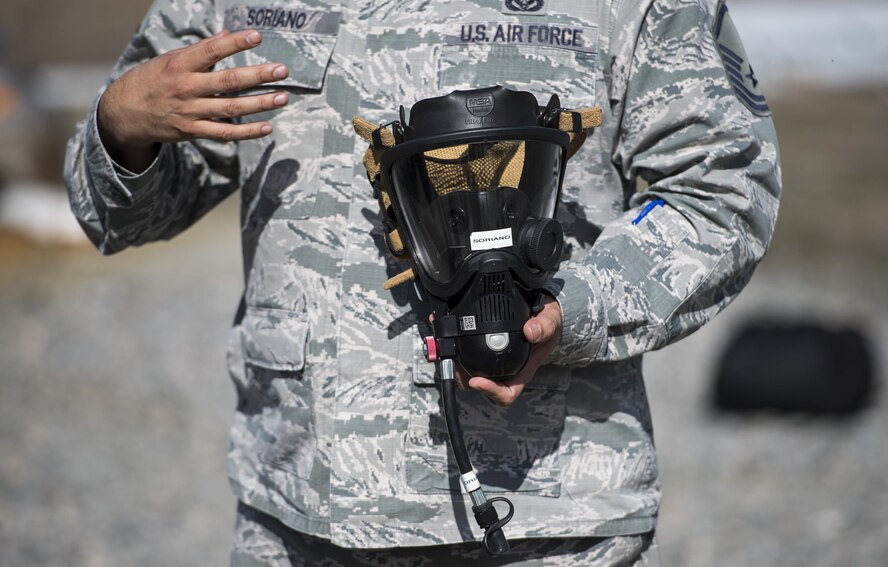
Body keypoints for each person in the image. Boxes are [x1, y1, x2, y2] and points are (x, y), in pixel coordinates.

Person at [65, 0, 780, 564]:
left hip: (552, 521)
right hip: (300, 520)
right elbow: (119, 211)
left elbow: (721, 190)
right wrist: (122, 128)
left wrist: (573, 310)